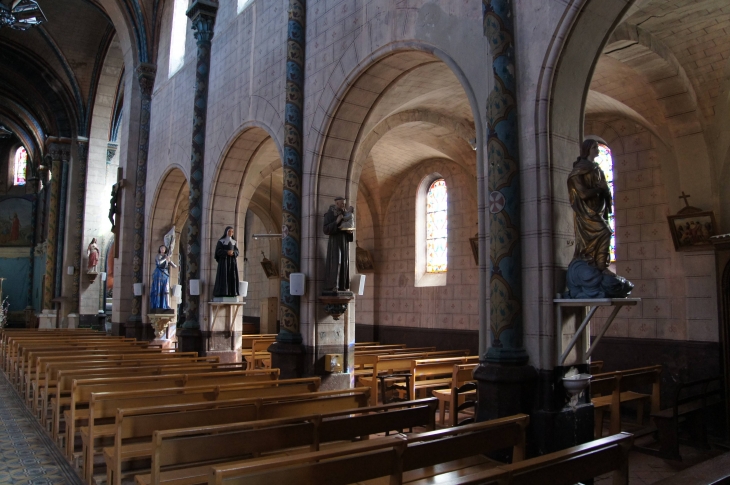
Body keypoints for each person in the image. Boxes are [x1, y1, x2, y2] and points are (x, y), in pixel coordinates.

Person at [567, 139, 613, 272]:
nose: (597, 150)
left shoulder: (597, 169)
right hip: (586, 213)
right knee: (605, 232)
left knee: (605, 233)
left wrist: (605, 190)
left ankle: (600, 266)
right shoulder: (578, 171)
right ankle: (600, 267)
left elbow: (605, 188)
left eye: (597, 147)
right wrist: (600, 189)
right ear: (587, 150)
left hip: (598, 209)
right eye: (594, 147)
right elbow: (582, 194)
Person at [323, 197, 354, 292]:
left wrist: (350, 232)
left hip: (344, 242)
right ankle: (333, 285)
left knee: (344, 263)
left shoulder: (346, 214)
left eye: (344, 204)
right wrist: (336, 221)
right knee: (336, 262)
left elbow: (349, 226)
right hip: (335, 242)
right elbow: (325, 229)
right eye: (342, 204)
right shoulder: (329, 214)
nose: (344, 205)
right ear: (336, 203)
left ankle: (342, 286)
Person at [213, 226, 240, 297]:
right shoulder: (221, 241)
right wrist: (226, 252)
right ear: (226, 232)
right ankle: (223, 293)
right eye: (229, 231)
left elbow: (237, 251)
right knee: (224, 276)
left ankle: (232, 293)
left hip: (232, 263)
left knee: (232, 276)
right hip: (224, 262)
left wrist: (234, 253)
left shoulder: (234, 242)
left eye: (232, 232)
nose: (231, 233)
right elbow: (218, 252)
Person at [150, 244, 177, 310]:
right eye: (161, 248)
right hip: (159, 273)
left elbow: (174, 266)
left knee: (166, 289)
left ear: (165, 250)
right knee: (158, 288)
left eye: (163, 248)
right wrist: (165, 259)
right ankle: (157, 305)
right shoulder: (158, 256)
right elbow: (159, 263)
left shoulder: (166, 256)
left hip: (165, 274)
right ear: (159, 249)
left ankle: (166, 305)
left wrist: (169, 260)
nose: (162, 249)